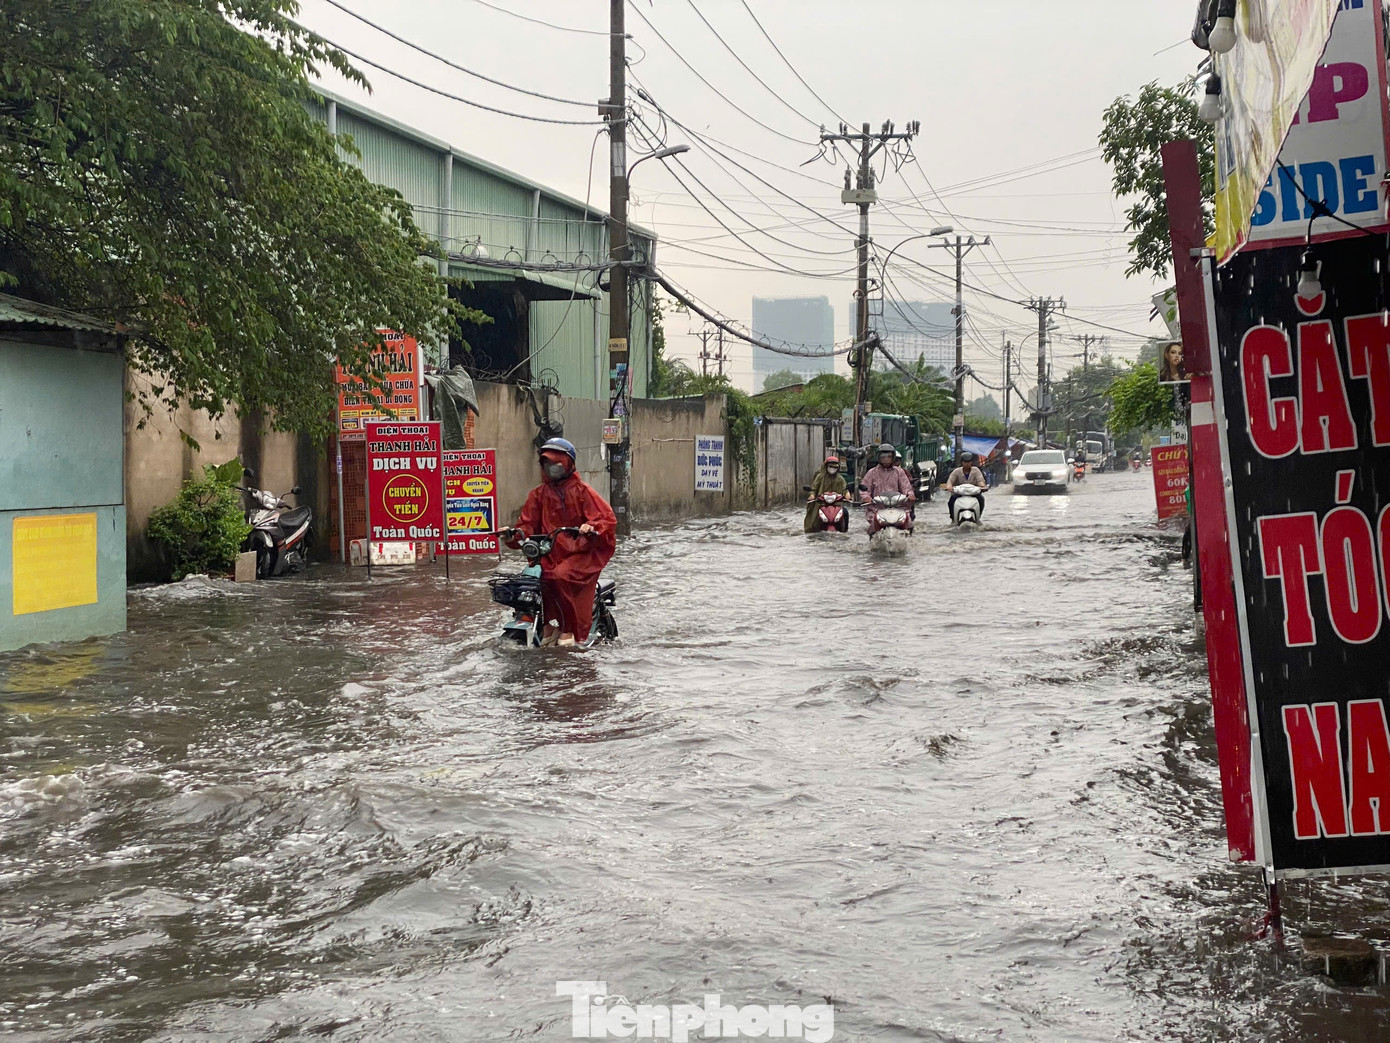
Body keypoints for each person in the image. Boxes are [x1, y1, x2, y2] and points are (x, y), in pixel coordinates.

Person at [502, 437, 616, 646]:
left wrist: (591, 526)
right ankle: (546, 624)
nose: (551, 468)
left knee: (560, 575)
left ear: (568, 464)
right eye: (547, 463)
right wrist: (511, 535)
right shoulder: (537, 495)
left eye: (556, 463)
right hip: (549, 552)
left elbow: (606, 519)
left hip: (581, 553)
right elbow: (526, 526)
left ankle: (569, 629)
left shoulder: (583, 491)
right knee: (532, 580)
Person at [860, 443, 915, 524]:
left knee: (908, 523)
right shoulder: (872, 472)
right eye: (883, 457)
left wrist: (910, 495)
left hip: (898, 507)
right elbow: (864, 489)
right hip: (877, 508)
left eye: (889, 457)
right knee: (873, 525)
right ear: (878, 457)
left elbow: (906, 487)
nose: (886, 459)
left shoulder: (899, 472)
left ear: (893, 457)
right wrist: (866, 497)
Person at [804, 453, 849, 532]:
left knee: (845, 513)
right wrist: (812, 495)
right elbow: (814, 488)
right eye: (831, 466)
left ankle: (844, 531)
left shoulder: (840, 479)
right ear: (826, 466)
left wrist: (847, 494)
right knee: (813, 518)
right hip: (821, 503)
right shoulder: (820, 477)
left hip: (836, 504)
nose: (832, 469)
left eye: (835, 467)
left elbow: (844, 488)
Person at [946, 451, 989, 518]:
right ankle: (953, 517)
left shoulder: (976, 470)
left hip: (973, 494)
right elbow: (950, 481)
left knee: (981, 499)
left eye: (968, 462)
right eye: (965, 462)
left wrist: (982, 486)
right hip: (959, 494)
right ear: (962, 462)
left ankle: (978, 515)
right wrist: (949, 487)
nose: (967, 464)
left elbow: (980, 480)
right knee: (952, 500)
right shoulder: (957, 471)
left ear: (971, 462)